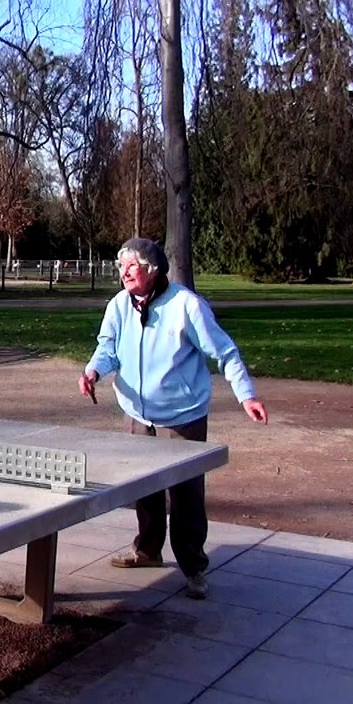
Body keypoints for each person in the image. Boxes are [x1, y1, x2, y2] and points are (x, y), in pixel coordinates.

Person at [78, 237, 268, 600]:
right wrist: (92, 372)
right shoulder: (119, 305)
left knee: (185, 495)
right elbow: (108, 348)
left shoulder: (187, 306)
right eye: (121, 267)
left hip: (182, 416)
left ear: (152, 269)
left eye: (131, 266)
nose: (124, 273)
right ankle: (147, 552)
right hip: (136, 413)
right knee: (143, 488)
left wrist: (247, 395)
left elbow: (225, 352)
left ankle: (194, 567)